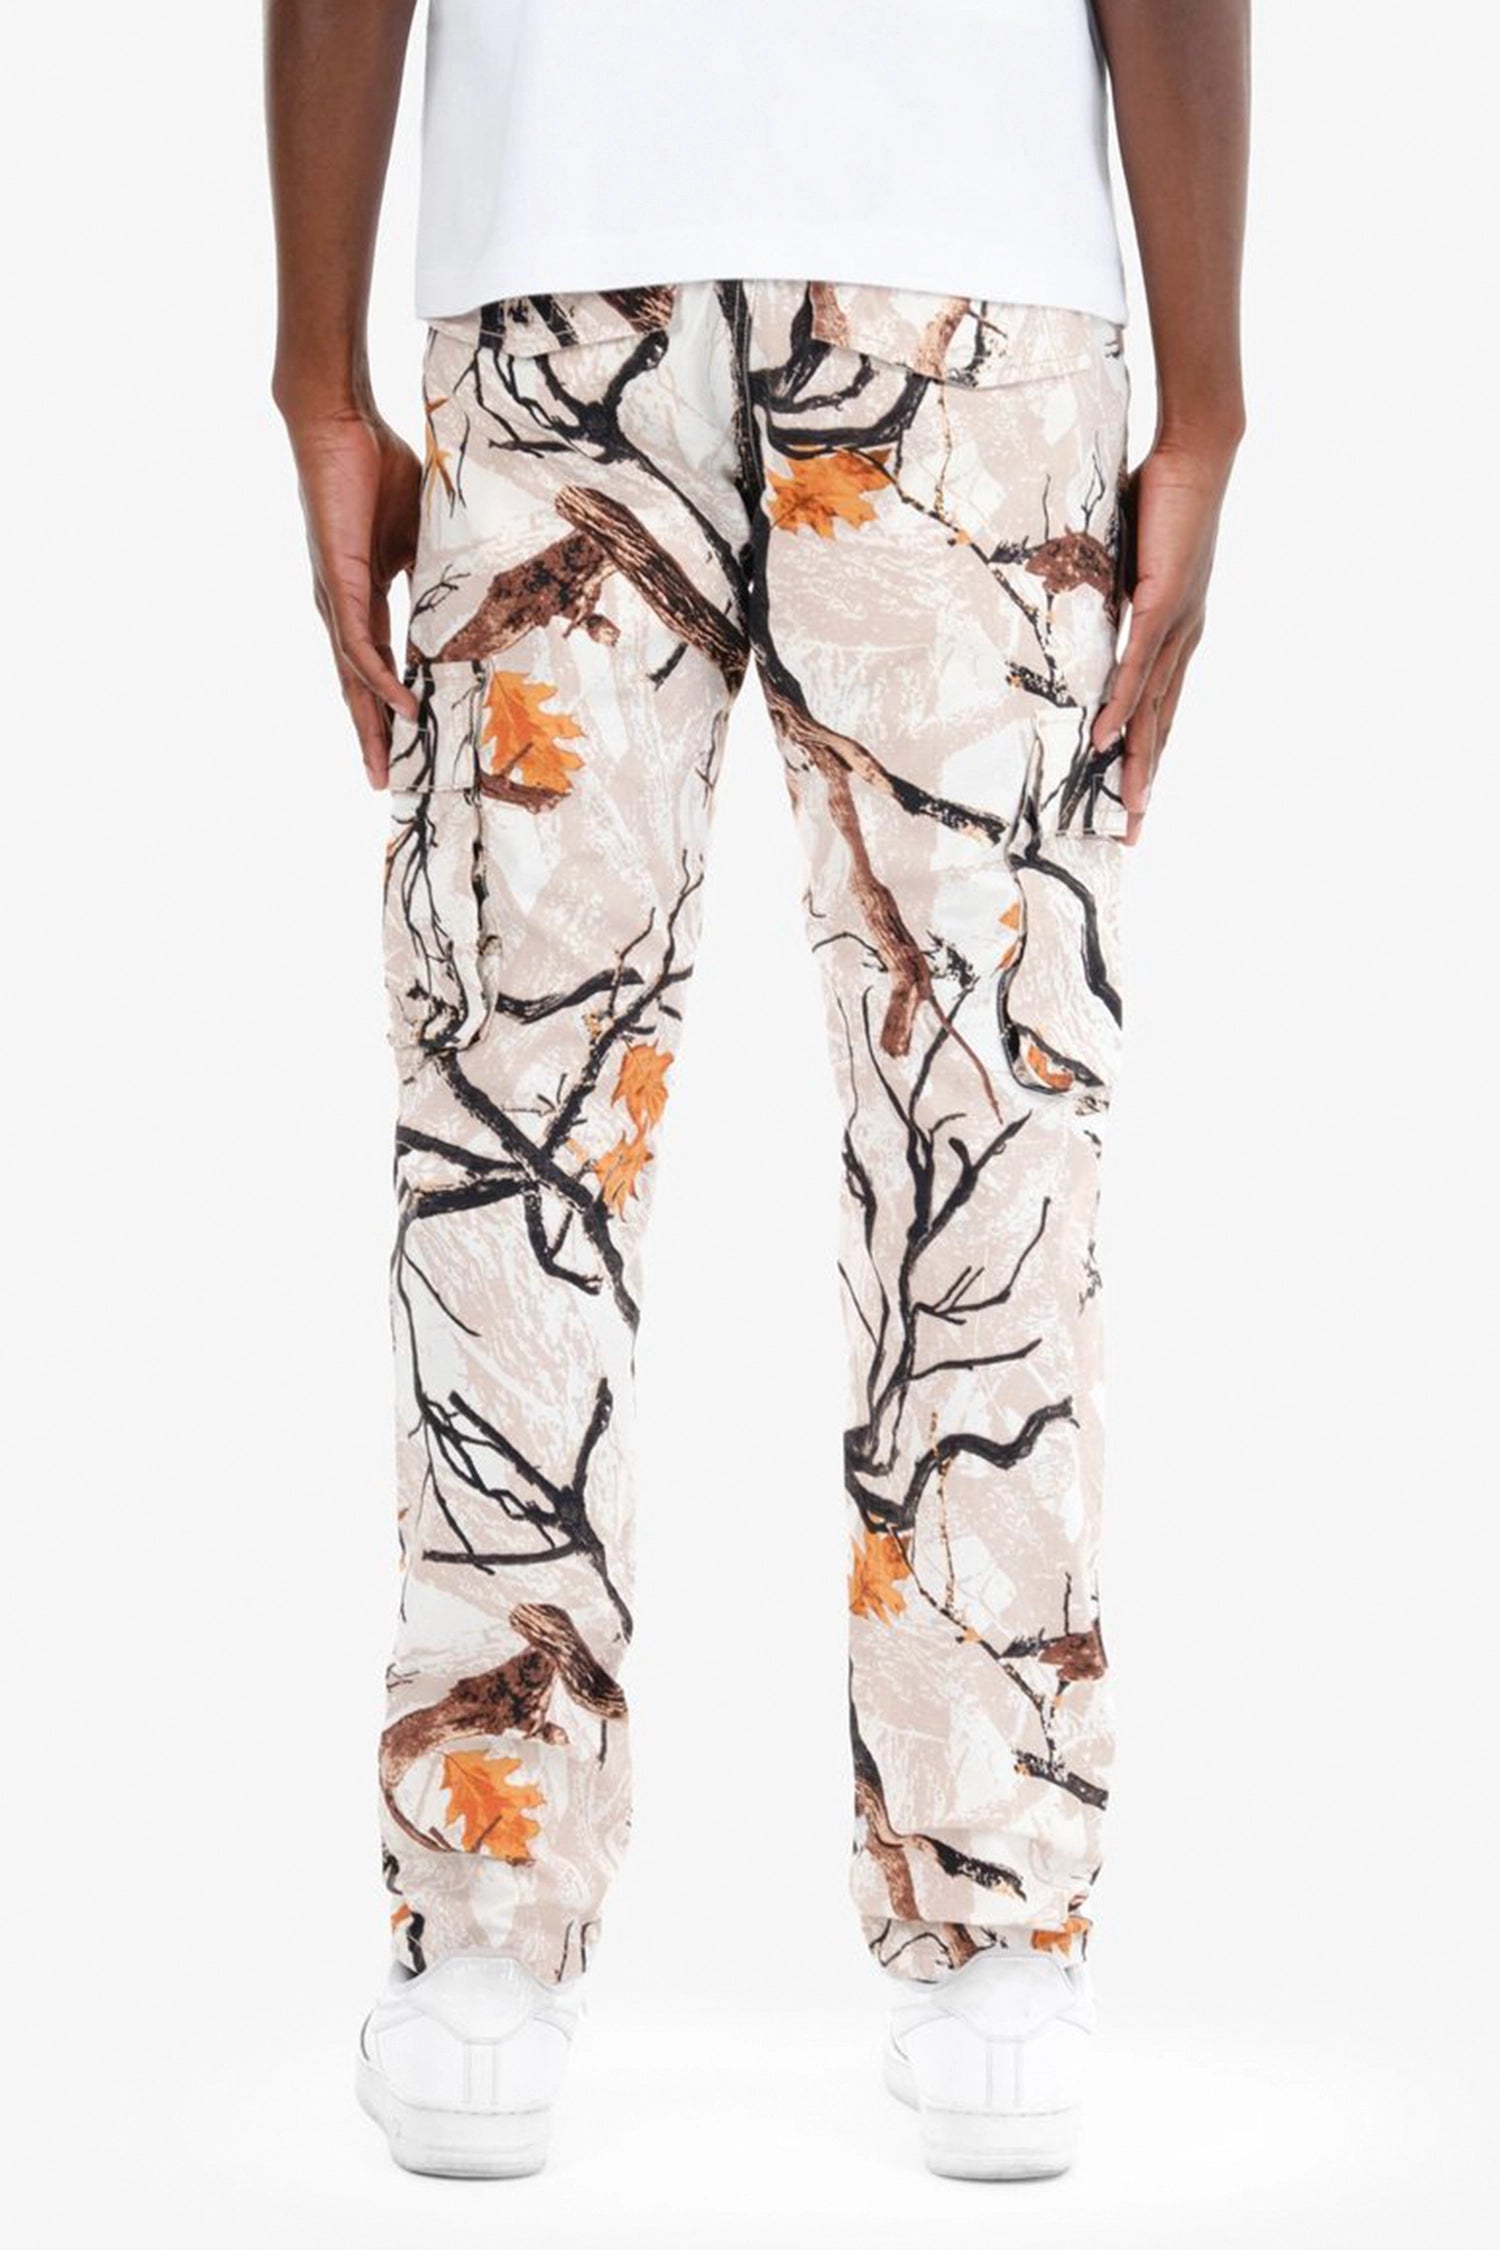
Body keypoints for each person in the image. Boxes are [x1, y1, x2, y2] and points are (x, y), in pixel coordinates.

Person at [266, 0, 1248, 2185]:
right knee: (863, 1116)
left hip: (755, 271)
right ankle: (896, 1930)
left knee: (616, 1113)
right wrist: (1209, 387)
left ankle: (597, 1941)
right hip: (820, 280)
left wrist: (319, 363)